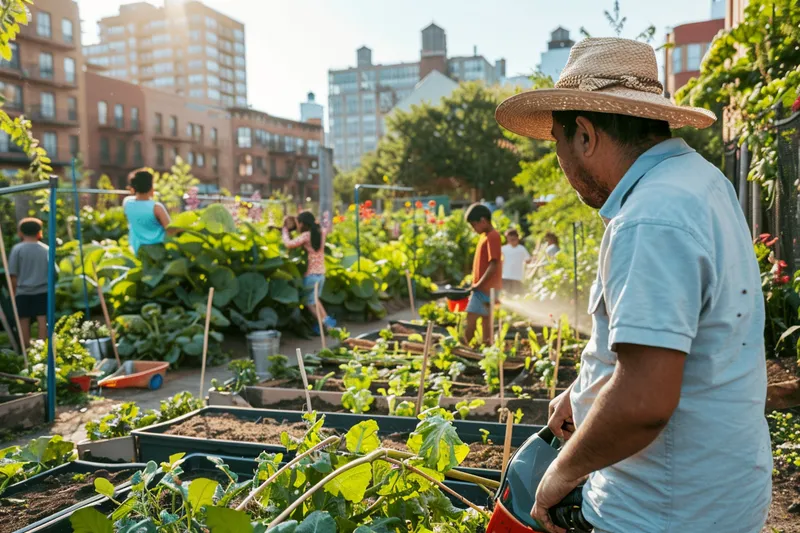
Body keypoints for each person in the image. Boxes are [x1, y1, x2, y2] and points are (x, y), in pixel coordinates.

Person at [496, 38, 770, 533]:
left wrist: (563, 470)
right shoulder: (700, 182)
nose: (562, 166)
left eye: (557, 144)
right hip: (715, 495)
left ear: (584, 135)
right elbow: (674, 344)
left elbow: (644, 401)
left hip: (663, 511)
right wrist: (582, 393)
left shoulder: (651, 218)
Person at [282, 211, 335, 333]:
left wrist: (285, 231)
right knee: (316, 301)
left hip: (311, 275)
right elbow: (325, 227)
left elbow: (289, 244)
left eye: (299, 223)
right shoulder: (321, 232)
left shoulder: (306, 236)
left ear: (303, 224)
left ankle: (326, 327)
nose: (298, 225)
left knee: (309, 303)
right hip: (321, 274)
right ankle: (330, 325)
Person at [464, 203, 502, 345]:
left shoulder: (493, 236)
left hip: (486, 289)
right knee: (485, 323)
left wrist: (478, 284)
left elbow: (494, 263)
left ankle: (463, 348)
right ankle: (486, 351)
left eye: (474, 225)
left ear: (483, 221)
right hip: (486, 288)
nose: (474, 229)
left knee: (471, 320)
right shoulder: (485, 236)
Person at [8, 218, 48, 346]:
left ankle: (27, 348)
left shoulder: (17, 249)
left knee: (23, 319)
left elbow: (13, 274)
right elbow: (52, 271)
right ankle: (42, 348)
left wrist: (13, 292)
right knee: (42, 319)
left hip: (22, 291)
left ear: (21, 232)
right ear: (39, 231)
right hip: (42, 290)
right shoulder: (45, 249)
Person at [123, 168, 170, 255]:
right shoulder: (157, 207)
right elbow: (171, 230)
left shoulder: (127, 203)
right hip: (157, 252)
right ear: (151, 187)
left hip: (136, 250)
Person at [501, 229, 531, 295]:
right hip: (506, 277)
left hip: (518, 278)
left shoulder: (522, 249)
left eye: (513, 239)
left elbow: (528, 260)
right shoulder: (503, 249)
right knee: (507, 295)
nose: (512, 240)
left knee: (517, 296)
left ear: (517, 238)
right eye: (510, 239)